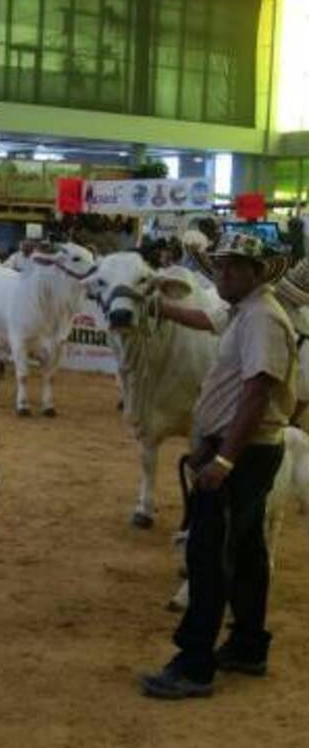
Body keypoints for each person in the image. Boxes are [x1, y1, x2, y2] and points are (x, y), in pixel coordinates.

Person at [141, 233, 296, 699]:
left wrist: (224, 458)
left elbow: (257, 392)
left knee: (208, 556)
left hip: (241, 454)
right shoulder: (243, 311)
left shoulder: (263, 319)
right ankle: (248, 646)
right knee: (247, 553)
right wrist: (160, 309)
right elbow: (206, 319)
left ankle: (195, 665)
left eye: (234, 268)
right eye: (221, 267)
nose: (224, 275)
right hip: (243, 452)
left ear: (256, 272)